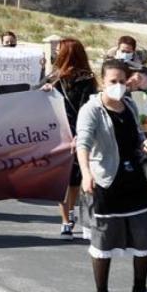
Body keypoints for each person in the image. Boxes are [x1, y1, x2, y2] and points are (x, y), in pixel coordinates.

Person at [76, 59, 147, 292]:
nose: (116, 86)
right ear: (103, 81)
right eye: (112, 81)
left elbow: (138, 135)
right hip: (106, 180)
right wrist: (86, 174)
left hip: (135, 178)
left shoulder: (129, 104)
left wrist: (146, 145)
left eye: (120, 81)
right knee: (105, 240)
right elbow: (82, 143)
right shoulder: (92, 110)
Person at [41, 39, 98, 239]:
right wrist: (44, 91)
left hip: (77, 135)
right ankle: (65, 221)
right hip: (57, 135)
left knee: (75, 179)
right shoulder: (54, 78)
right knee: (63, 180)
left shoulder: (87, 80)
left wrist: (81, 136)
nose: (56, 54)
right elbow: (37, 97)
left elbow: (86, 108)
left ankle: (71, 210)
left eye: (59, 50)